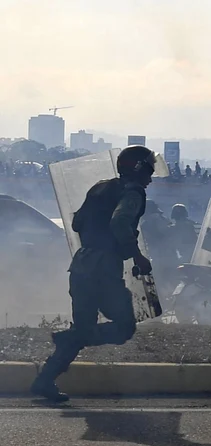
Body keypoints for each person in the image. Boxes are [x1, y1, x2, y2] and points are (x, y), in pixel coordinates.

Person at [30, 145, 159, 402]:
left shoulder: (100, 187)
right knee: (124, 327)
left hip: (81, 263)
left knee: (84, 326)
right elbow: (120, 221)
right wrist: (137, 255)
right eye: (149, 169)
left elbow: (77, 222)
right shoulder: (132, 193)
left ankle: (45, 380)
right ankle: (69, 338)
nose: (151, 176)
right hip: (103, 268)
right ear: (139, 168)